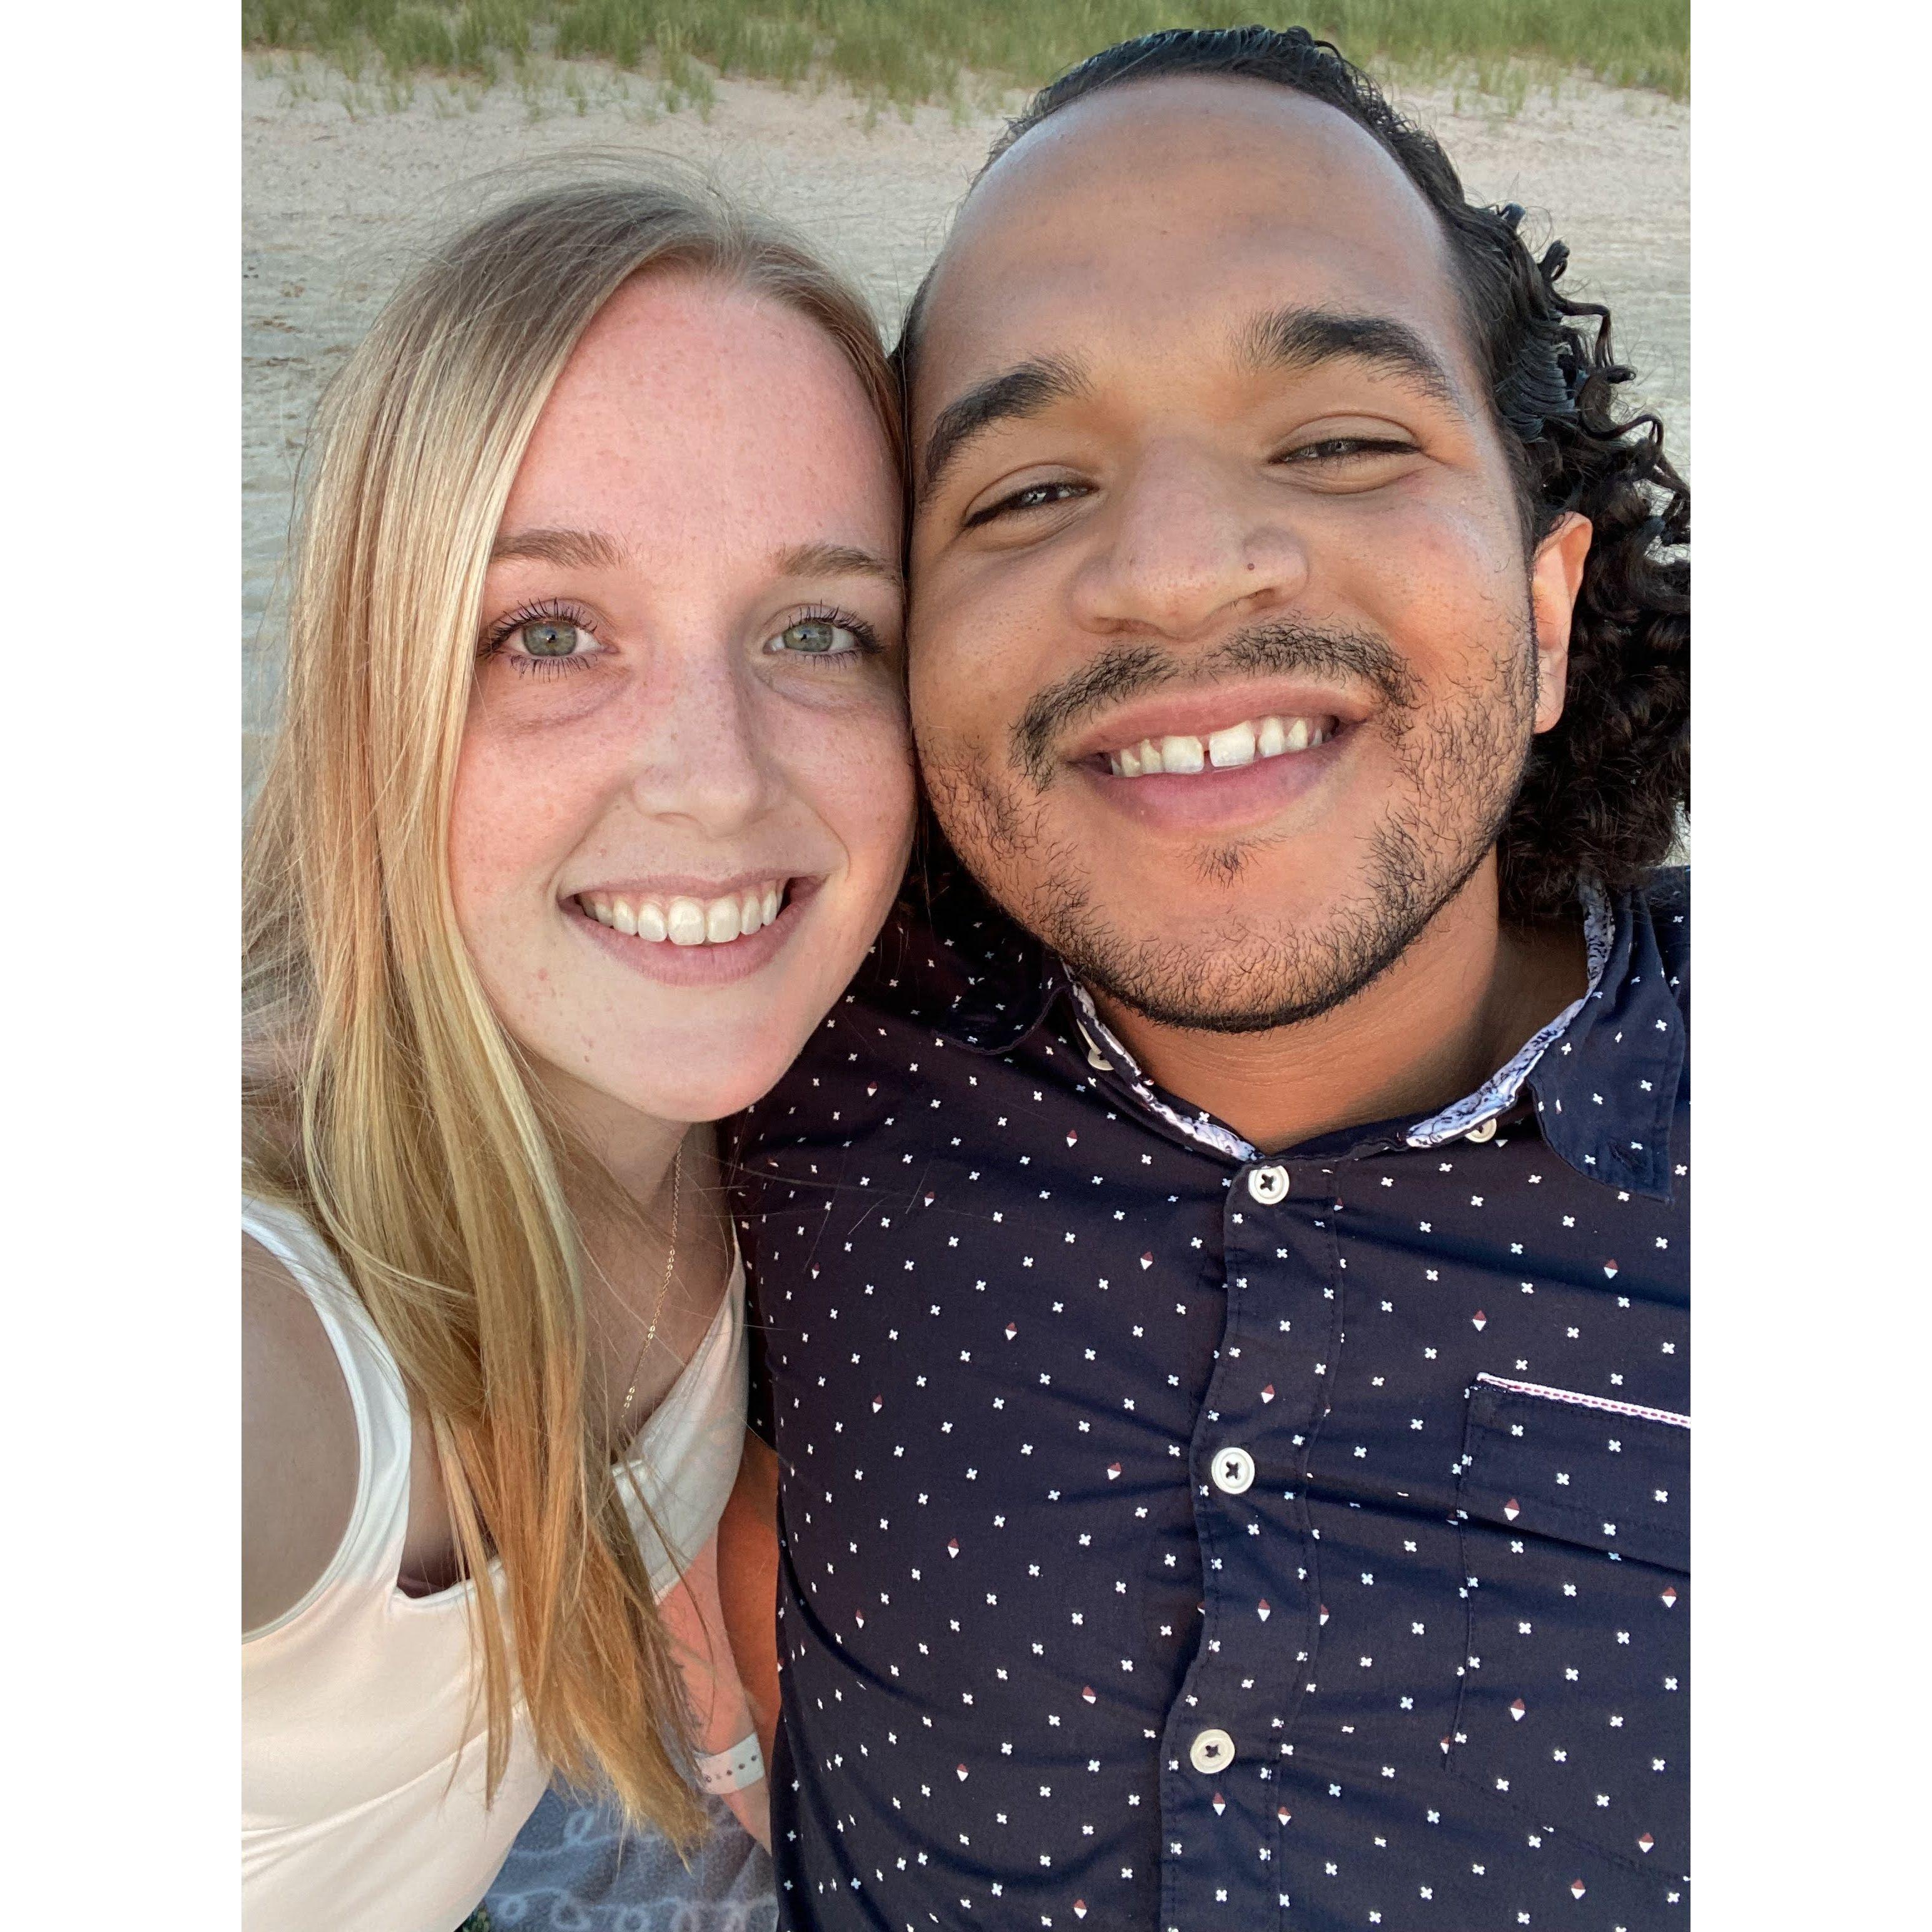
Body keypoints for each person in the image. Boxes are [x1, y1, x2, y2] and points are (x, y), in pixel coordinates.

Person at [728, 25, 1690, 1931]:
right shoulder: (775, 1044)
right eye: (1025, 492)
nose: (1175, 571)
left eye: (1337, 443)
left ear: (1546, 602)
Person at [242, 175, 913, 1931]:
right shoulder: (269, 1328)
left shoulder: (777, 1100)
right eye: (550, 634)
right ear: (378, 688)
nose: (715, 778)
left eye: (821, 632)